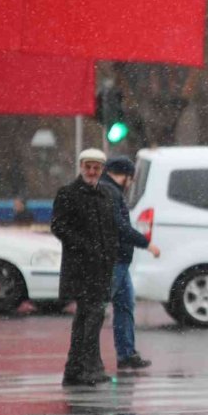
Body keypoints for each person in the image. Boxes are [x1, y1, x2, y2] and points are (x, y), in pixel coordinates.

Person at [52, 148, 118, 386]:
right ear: (81, 167)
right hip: (81, 269)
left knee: (87, 318)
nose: (91, 171)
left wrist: (110, 254)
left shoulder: (106, 194)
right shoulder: (68, 193)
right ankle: (88, 368)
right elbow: (59, 226)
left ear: (101, 170)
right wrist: (86, 248)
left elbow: (110, 229)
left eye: (96, 168)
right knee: (91, 317)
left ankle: (76, 369)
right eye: (88, 167)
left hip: (101, 269)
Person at [99, 156, 161, 371]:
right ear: (124, 176)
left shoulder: (110, 190)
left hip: (119, 260)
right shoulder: (110, 192)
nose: (131, 183)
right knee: (100, 308)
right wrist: (146, 243)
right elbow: (119, 226)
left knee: (125, 305)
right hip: (114, 260)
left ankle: (127, 354)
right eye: (130, 178)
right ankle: (97, 356)